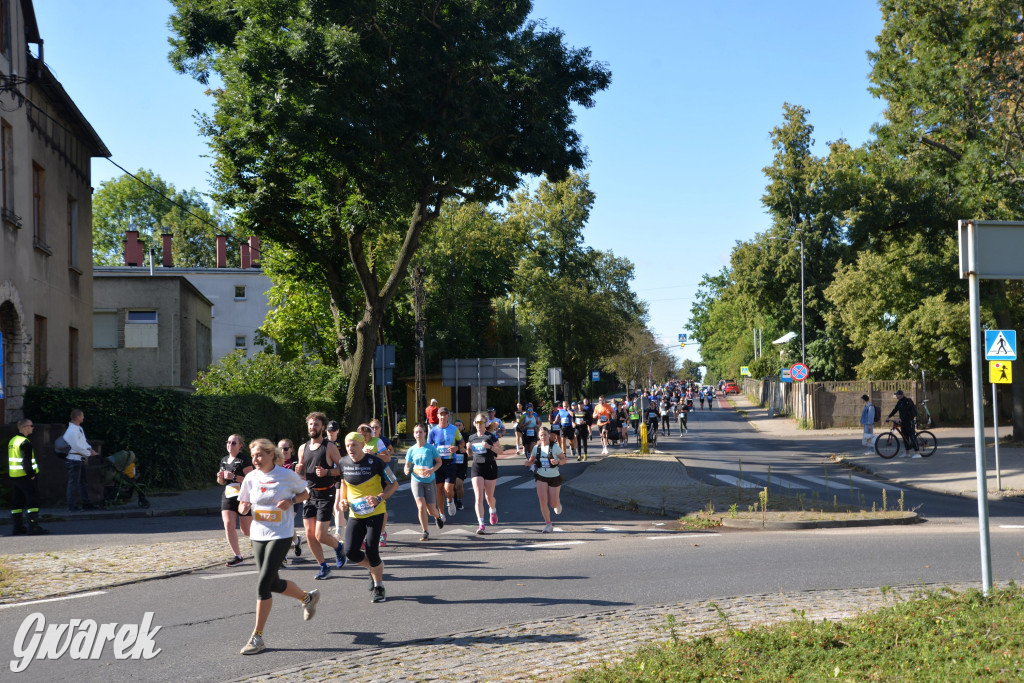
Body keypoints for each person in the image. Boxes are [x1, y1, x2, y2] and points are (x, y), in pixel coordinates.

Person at [237, 438, 317, 655]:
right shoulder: (251, 478)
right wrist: (243, 507)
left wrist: (292, 500)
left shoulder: (286, 475)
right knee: (273, 582)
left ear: (272, 454)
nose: (256, 460)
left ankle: (257, 637)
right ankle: (307, 598)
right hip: (258, 534)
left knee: (262, 584)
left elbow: (306, 493)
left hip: (281, 534)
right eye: (253, 456)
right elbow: (243, 504)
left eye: (259, 455)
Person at [338, 431, 399, 604]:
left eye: (354, 444)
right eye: (348, 445)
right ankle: (373, 569)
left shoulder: (375, 463)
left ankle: (379, 586)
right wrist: (343, 500)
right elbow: (344, 483)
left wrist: (379, 497)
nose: (350, 448)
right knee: (350, 551)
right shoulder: (343, 463)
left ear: (362, 445)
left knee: (372, 551)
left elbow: (394, 484)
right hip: (356, 513)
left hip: (376, 511)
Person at [295, 412, 347, 580]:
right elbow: (303, 472)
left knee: (320, 535)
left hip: (326, 493)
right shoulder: (303, 448)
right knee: (309, 533)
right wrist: (298, 470)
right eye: (310, 424)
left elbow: (343, 468)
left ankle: (338, 547)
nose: (313, 427)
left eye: (316, 425)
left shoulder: (329, 447)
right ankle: (324, 566)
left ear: (322, 427)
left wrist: (328, 472)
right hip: (309, 494)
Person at [467, 412, 518, 534]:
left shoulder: (491, 436)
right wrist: (468, 448)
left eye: (481, 422)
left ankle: (493, 509)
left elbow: (500, 451)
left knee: (489, 497)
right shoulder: (471, 437)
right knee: (478, 496)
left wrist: (489, 447)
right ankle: (481, 524)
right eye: (477, 422)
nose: (479, 425)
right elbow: (469, 455)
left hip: (489, 466)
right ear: (474, 424)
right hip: (476, 467)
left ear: (486, 424)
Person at [403, 423, 444, 541]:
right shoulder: (411, 450)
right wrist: (406, 470)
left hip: (430, 481)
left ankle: (438, 517)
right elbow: (407, 465)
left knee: (431, 510)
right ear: (414, 434)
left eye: (421, 432)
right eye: (416, 432)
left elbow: (439, 462)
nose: (418, 434)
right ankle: (425, 531)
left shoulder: (431, 448)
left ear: (425, 433)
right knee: (421, 506)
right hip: (416, 480)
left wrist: (432, 470)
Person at [218, 433, 253, 567]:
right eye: (228, 442)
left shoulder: (243, 460)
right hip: (228, 495)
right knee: (228, 524)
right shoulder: (224, 460)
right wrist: (220, 477)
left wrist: (234, 477)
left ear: (240, 445)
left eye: (233, 443)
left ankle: (263, 541)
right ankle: (238, 556)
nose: (229, 445)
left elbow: (251, 480)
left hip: (243, 496)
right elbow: (221, 482)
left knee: (246, 531)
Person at [8, 418, 48, 535]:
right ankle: (33, 527)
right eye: (31, 425)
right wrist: (31, 474)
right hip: (26, 477)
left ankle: (17, 527)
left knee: (17, 502)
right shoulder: (25, 442)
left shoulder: (13, 441)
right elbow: (26, 461)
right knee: (32, 501)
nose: (33, 427)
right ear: (25, 427)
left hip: (15, 476)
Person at [526, 426, 567, 533]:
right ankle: (548, 524)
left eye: (545, 434)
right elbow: (531, 460)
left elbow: (564, 460)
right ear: (538, 436)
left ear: (548, 435)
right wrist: (528, 463)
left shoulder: (555, 447)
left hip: (554, 477)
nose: (543, 437)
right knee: (542, 500)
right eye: (541, 435)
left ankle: (557, 503)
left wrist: (558, 462)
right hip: (541, 476)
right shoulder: (536, 448)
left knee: (553, 504)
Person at [427, 407, 464, 519]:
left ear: (448, 416)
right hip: (438, 463)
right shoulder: (433, 431)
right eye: (441, 415)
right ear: (438, 416)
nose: (443, 417)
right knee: (439, 488)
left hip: (450, 463)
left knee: (448, 488)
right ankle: (441, 513)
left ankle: (450, 500)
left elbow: (462, 443)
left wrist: (456, 448)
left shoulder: (454, 429)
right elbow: (428, 447)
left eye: (445, 415)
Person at [63, 408, 98, 511]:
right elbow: (77, 446)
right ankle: (71, 505)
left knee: (83, 482)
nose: (83, 417)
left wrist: (90, 449)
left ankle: (86, 503)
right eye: (82, 416)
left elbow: (83, 442)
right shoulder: (72, 431)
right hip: (74, 459)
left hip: (80, 458)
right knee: (73, 483)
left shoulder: (79, 429)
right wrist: (89, 453)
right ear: (77, 417)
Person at [277, 438, 303, 561]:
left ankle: (283, 555)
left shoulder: (295, 464)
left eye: (286, 448)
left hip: (291, 499)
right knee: (285, 525)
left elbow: (301, 482)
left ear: (291, 449)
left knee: (284, 524)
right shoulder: (274, 464)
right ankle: (296, 540)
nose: (283, 451)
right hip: (277, 499)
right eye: (281, 448)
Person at [887, 390, 921, 458]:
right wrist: (888, 416)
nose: (896, 396)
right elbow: (895, 410)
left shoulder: (908, 401)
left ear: (901, 395)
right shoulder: (899, 402)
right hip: (903, 422)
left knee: (912, 436)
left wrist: (900, 418)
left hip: (909, 421)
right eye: (896, 395)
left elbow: (906, 411)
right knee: (905, 437)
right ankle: (907, 453)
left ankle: (918, 453)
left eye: (897, 395)